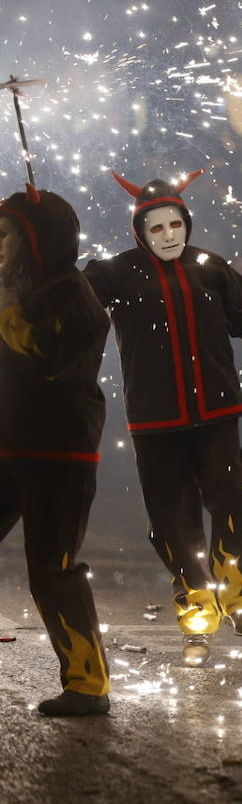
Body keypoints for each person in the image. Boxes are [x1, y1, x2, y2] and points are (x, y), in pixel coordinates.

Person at [85, 170, 242, 667]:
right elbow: (72, 300)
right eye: (156, 229)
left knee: (234, 500)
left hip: (217, 412)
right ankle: (197, 610)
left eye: (175, 225)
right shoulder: (117, 274)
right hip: (155, 421)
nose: (168, 236)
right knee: (172, 518)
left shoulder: (211, 269)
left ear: (186, 223)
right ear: (140, 233)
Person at [0, 187, 111, 715]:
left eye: (6, 236)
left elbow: (44, 354)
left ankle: (88, 684)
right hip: (8, 445)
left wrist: (6, 306)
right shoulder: (11, 289)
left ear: (36, 241)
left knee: (53, 568)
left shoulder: (74, 293)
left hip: (59, 451)